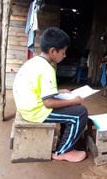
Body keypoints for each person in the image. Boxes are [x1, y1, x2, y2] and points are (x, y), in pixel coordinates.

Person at [13, 27, 88, 162]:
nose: (64, 55)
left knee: (71, 110)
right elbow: (48, 103)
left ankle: (65, 141)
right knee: (80, 112)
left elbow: (38, 88)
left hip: (26, 107)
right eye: (63, 52)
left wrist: (59, 92)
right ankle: (63, 151)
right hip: (36, 111)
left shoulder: (35, 62)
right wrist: (74, 101)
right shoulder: (48, 69)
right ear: (53, 51)